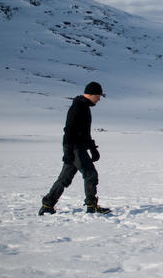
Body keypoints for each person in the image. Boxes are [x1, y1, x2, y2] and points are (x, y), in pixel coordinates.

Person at [39, 82, 111, 215]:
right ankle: (91, 205)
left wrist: (92, 148)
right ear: (90, 94)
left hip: (78, 147)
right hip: (75, 148)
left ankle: (48, 205)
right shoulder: (78, 107)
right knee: (90, 174)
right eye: (98, 95)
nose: (99, 98)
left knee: (64, 178)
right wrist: (67, 151)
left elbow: (84, 132)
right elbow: (69, 130)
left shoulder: (84, 106)